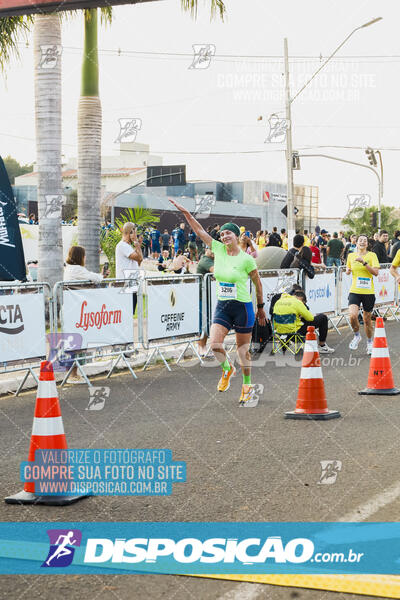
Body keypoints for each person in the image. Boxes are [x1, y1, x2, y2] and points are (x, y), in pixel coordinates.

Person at [168, 197, 266, 405]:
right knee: (215, 345)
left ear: (236, 236)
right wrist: (186, 213)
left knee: (243, 351)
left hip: (243, 307)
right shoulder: (218, 250)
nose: (224, 236)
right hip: (223, 306)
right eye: (222, 234)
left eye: (228, 232)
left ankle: (247, 385)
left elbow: (258, 284)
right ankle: (227, 369)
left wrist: (260, 307)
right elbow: (198, 230)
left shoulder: (247, 259)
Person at [64, 245, 108, 383]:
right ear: (80, 257)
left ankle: (74, 373)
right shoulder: (76, 269)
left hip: (75, 309)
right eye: (84, 255)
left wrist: (99, 276)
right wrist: (101, 276)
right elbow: (93, 278)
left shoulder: (72, 269)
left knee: (76, 341)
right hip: (75, 310)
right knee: (74, 342)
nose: (85, 258)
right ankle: (72, 374)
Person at [346, 234, 379, 354]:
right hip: (355, 290)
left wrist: (364, 263)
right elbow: (348, 270)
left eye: (365, 241)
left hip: (368, 291)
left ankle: (370, 342)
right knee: (353, 315)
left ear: (367, 244)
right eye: (360, 240)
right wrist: (348, 271)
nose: (362, 242)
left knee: (367, 320)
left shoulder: (372, 255)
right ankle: (356, 336)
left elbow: (375, 273)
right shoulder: (351, 255)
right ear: (356, 242)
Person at [115, 222, 143, 315]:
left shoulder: (128, 246)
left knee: (130, 312)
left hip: (131, 281)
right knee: (127, 313)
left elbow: (139, 261)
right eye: (134, 232)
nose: (136, 235)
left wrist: (137, 245)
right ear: (129, 232)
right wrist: (137, 243)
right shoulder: (122, 245)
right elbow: (140, 258)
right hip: (125, 282)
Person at [196, 249, 214, 355]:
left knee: (209, 322)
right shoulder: (206, 260)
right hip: (203, 297)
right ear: (206, 249)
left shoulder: (212, 259)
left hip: (209, 296)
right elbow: (215, 271)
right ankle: (201, 347)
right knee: (204, 323)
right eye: (211, 249)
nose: (213, 252)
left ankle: (205, 346)